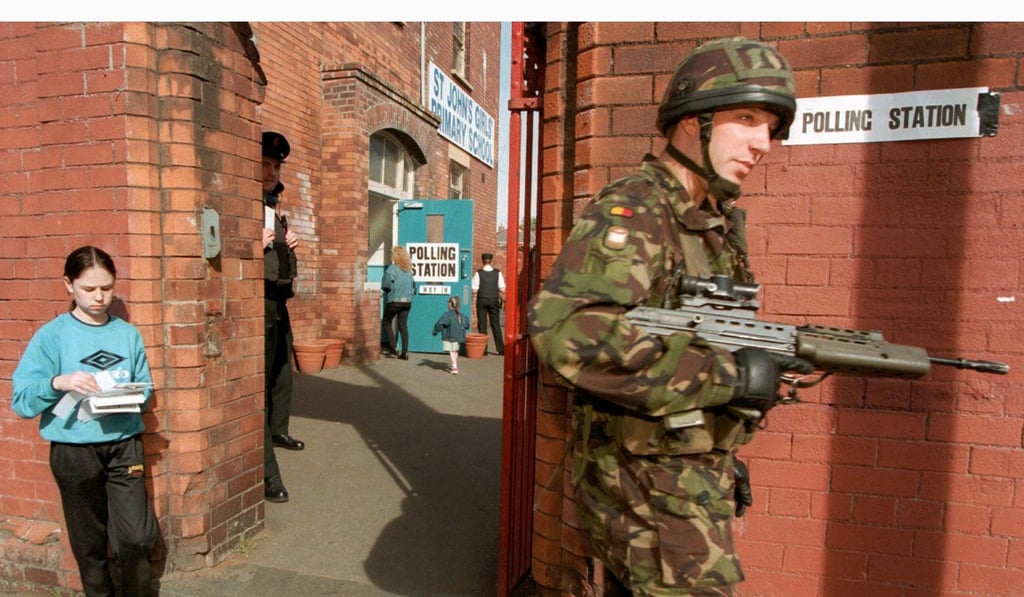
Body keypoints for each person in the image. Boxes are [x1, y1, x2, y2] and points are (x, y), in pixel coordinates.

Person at [526, 37, 814, 595]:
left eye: (771, 128)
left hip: (680, 484)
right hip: (649, 500)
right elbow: (568, 333)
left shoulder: (708, 223)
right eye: (747, 118)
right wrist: (731, 376)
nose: (763, 144)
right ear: (692, 123)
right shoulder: (639, 209)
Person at [12, 245, 159, 596]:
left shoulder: (127, 334)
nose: (99, 297)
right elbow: (21, 401)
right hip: (73, 451)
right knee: (89, 546)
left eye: (106, 289)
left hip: (124, 447)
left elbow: (147, 389)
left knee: (136, 538)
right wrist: (57, 382)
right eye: (88, 289)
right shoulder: (52, 336)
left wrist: (130, 394)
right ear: (68, 285)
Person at [262, 131, 304, 506]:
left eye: (275, 166)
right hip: (256, 301)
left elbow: (281, 261)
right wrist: (253, 240)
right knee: (260, 380)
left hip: (278, 299)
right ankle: (266, 473)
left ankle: (278, 430)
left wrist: (289, 243)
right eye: (265, 164)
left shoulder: (274, 205)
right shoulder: (243, 200)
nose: (271, 171)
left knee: (281, 371)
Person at [381, 245, 416, 360]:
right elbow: (414, 287)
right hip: (407, 302)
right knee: (403, 325)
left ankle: (394, 348)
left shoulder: (392, 269)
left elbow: (385, 285)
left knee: (386, 321)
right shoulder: (408, 271)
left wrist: (387, 291)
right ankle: (405, 352)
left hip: (394, 301)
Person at [471, 252, 505, 355]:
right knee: (495, 324)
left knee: (482, 324)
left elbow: (474, 289)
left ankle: (484, 349)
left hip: (482, 300)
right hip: (494, 300)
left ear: (482, 260)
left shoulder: (478, 273)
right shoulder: (497, 273)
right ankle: (500, 349)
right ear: (492, 261)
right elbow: (503, 289)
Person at [432, 296, 470, 374]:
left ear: (450, 304)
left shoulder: (448, 315)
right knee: (455, 351)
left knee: (452, 351)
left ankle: (455, 367)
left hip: (450, 336)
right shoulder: (461, 315)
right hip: (459, 337)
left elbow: (440, 324)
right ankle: (454, 365)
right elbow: (467, 325)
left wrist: (435, 331)